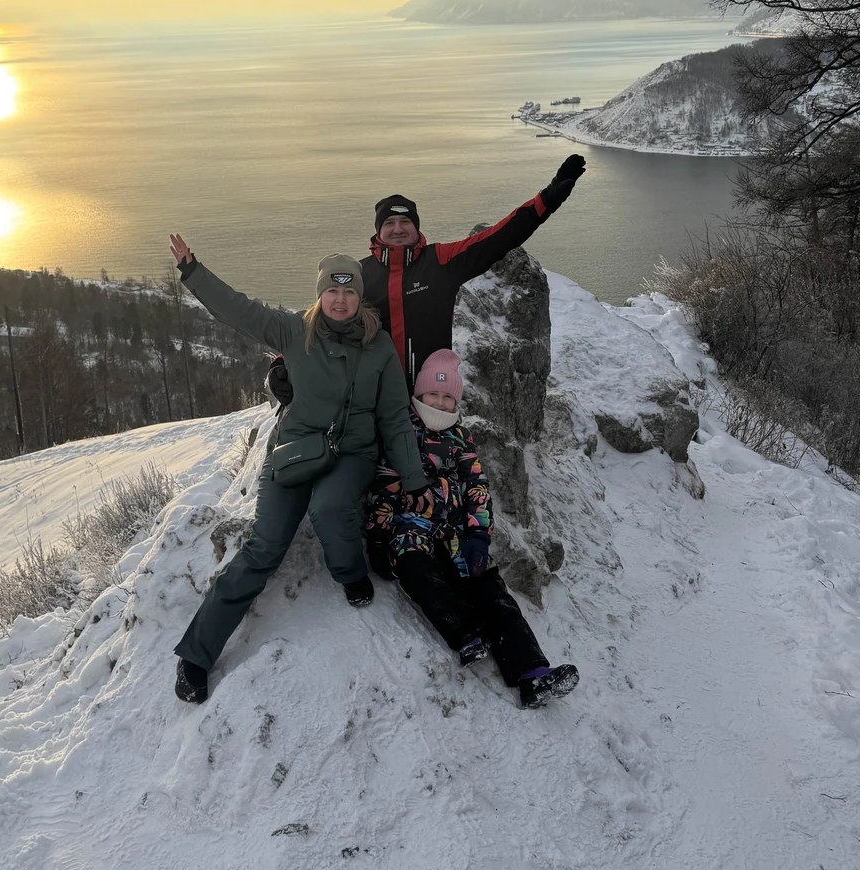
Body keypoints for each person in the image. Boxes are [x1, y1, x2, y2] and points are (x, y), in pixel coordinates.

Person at [168, 236, 429, 704]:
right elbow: (239, 310)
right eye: (333, 291)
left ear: (358, 297)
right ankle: (197, 653)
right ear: (321, 294)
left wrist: (414, 478)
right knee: (264, 548)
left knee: (331, 508)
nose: (341, 300)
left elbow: (393, 416)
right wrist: (193, 272)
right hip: (293, 448)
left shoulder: (379, 347)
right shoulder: (294, 332)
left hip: (352, 453)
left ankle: (350, 575)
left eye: (349, 292)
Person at [268, 154, 587, 399]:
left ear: (416, 227)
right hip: (372, 397)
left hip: (432, 396)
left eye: (405, 222)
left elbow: (499, 237)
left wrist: (547, 199)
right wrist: (283, 364)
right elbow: (321, 320)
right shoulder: (359, 272)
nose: (397, 229)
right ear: (378, 231)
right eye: (388, 224)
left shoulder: (441, 261)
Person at [366, 349, 579, 709]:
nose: (440, 401)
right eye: (433, 394)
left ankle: (532, 675)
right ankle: (465, 634)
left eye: (448, 396)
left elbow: (477, 489)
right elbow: (385, 484)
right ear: (418, 395)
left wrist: (479, 535)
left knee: (490, 589)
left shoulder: (461, 438)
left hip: (454, 532)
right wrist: (379, 534)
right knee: (422, 576)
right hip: (410, 527)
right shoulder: (401, 430)